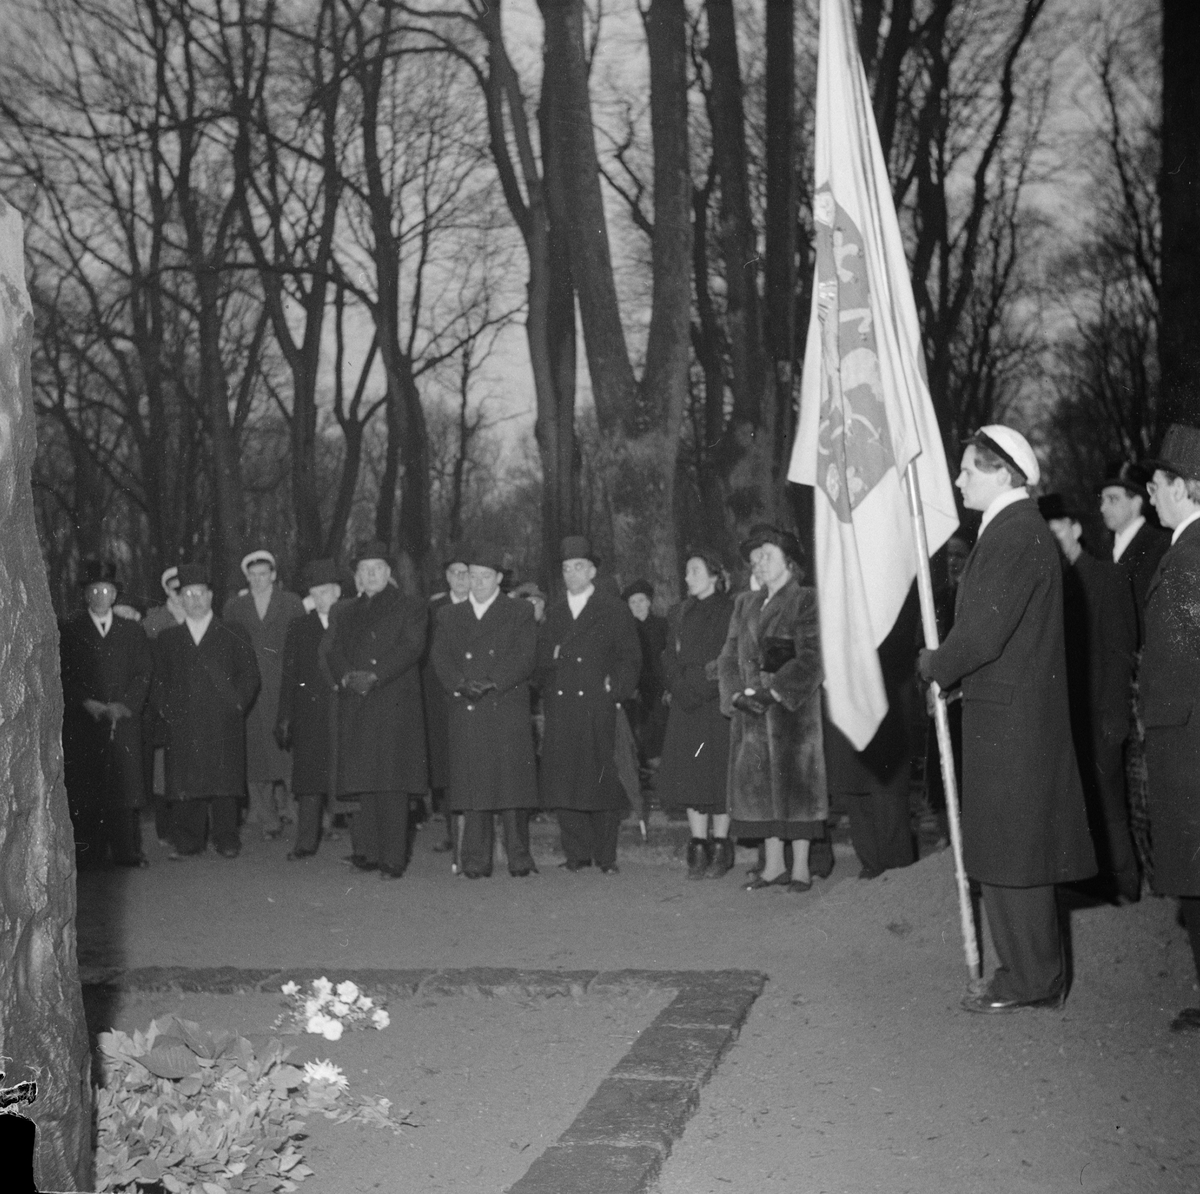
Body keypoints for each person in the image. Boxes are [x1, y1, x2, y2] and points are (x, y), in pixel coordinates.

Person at [918, 426, 1096, 1013]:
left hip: (1014, 728)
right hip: (1009, 717)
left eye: (968, 469)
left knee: (1015, 854)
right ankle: (1030, 974)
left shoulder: (1014, 536)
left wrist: (935, 665)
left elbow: (983, 634)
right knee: (1009, 850)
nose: (959, 479)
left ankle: (1031, 980)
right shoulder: (1014, 532)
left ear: (1001, 474)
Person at [1039, 494, 1139, 902]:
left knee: (1109, 803)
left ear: (1076, 529)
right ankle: (1091, 885)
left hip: (1100, 716)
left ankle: (1126, 884)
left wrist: (1115, 718)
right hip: (1063, 720)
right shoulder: (1048, 586)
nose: (1051, 537)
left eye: (1057, 528)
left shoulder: (1106, 578)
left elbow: (1119, 653)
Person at [719, 524, 828, 893]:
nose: (758, 564)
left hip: (791, 717)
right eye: (754, 559)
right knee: (760, 791)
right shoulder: (744, 603)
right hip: (750, 718)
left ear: (789, 561)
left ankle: (800, 869)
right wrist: (734, 695)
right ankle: (773, 866)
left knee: (797, 791)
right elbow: (728, 658)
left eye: (766, 555)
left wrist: (773, 692)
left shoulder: (806, 599)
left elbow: (814, 658)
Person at [1139, 424, 1200, 1033]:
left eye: (1156, 485)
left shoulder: (1188, 559)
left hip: (1190, 741)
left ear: (1181, 487)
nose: (1151, 494)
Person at [431, 545, 540, 878]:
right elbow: (441, 658)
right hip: (468, 705)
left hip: (504, 704)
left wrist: (493, 682)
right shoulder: (449, 615)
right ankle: (475, 860)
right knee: (473, 785)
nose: (477, 582)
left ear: (498, 579)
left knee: (511, 787)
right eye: (471, 576)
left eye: (484, 576)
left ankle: (519, 857)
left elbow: (525, 656)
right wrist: (460, 684)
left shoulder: (519, 611)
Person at [537, 536, 642, 874]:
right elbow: (538, 659)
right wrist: (550, 664)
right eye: (566, 569)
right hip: (563, 706)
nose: (571, 574)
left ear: (593, 571)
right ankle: (576, 853)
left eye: (578, 567)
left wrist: (618, 687)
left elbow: (631, 657)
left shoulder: (613, 609)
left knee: (601, 780)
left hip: (598, 703)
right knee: (566, 780)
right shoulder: (554, 613)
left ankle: (605, 855)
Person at [324, 540, 428, 879]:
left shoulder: (410, 606)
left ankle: (392, 859)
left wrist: (376, 675)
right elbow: (333, 649)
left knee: (391, 784)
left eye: (377, 569)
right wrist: (346, 676)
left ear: (388, 573)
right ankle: (366, 852)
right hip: (357, 700)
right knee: (365, 782)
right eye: (364, 571)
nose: (370, 575)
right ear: (356, 576)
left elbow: (411, 647)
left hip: (392, 701)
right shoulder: (345, 610)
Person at [151, 564, 261, 859]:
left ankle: (226, 837)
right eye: (188, 594)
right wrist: (166, 710)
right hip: (184, 723)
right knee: (188, 780)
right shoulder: (168, 639)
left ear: (211, 596)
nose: (195, 599)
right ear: (180, 599)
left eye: (200, 593)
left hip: (222, 719)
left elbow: (250, 675)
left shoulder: (233, 632)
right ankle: (189, 839)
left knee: (225, 781)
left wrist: (238, 704)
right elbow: (157, 681)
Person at [60, 559, 154, 868]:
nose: (100, 595)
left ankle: (127, 852)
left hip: (122, 720)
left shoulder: (131, 630)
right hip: (86, 721)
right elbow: (64, 675)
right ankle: (91, 854)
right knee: (88, 789)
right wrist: (86, 703)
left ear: (115, 595)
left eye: (106, 590)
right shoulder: (72, 630)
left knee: (124, 790)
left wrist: (125, 705)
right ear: (86, 595)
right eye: (94, 590)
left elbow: (143, 673)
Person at [825, 586, 920, 880]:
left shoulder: (893, 586)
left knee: (886, 786)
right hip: (850, 695)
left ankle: (897, 867)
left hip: (886, 694)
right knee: (856, 786)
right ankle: (870, 861)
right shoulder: (841, 587)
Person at [656, 550, 735, 879]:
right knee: (690, 774)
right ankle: (698, 846)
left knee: (717, 775)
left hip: (714, 703)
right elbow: (667, 655)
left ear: (714, 576)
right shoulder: (678, 612)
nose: (687, 577)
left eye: (694, 571)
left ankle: (720, 846)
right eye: (687, 572)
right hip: (684, 704)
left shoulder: (730, 609)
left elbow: (729, 653)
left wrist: (703, 688)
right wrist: (677, 685)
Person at [222, 550, 305, 840]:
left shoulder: (291, 602)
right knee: (256, 755)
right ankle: (267, 817)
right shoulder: (235, 606)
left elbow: (302, 644)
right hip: (252, 688)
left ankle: (297, 813)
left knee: (289, 753)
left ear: (273, 575)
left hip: (283, 684)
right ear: (247, 577)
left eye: (263, 574)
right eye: (253, 575)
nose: (258, 580)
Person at [275, 559, 342, 860]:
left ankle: (363, 844)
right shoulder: (299, 626)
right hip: (310, 713)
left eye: (325, 592)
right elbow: (289, 674)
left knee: (347, 775)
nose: (320, 599)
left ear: (338, 592)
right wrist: (284, 716)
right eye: (314, 593)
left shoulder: (350, 621)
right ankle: (305, 841)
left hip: (343, 710)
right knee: (310, 781)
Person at [420, 547, 471, 858]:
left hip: (477, 695)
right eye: (454, 573)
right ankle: (454, 833)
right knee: (449, 768)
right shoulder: (434, 609)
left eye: (465, 573)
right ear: (447, 577)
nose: (460, 579)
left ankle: (478, 834)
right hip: (442, 699)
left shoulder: (484, 607)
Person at [1097, 460, 1170, 628]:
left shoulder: (1161, 546)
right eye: (1102, 500)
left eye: (1113, 499)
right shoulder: (1102, 553)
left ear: (1137, 502)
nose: (1103, 508)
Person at [622, 579, 669, 772]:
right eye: (633, 602)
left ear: (649, 602)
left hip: (661, 687)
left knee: (661, 730)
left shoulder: (663, 625)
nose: (638, 606)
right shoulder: (625, 630)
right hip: (636, 691)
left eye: (641, 601)